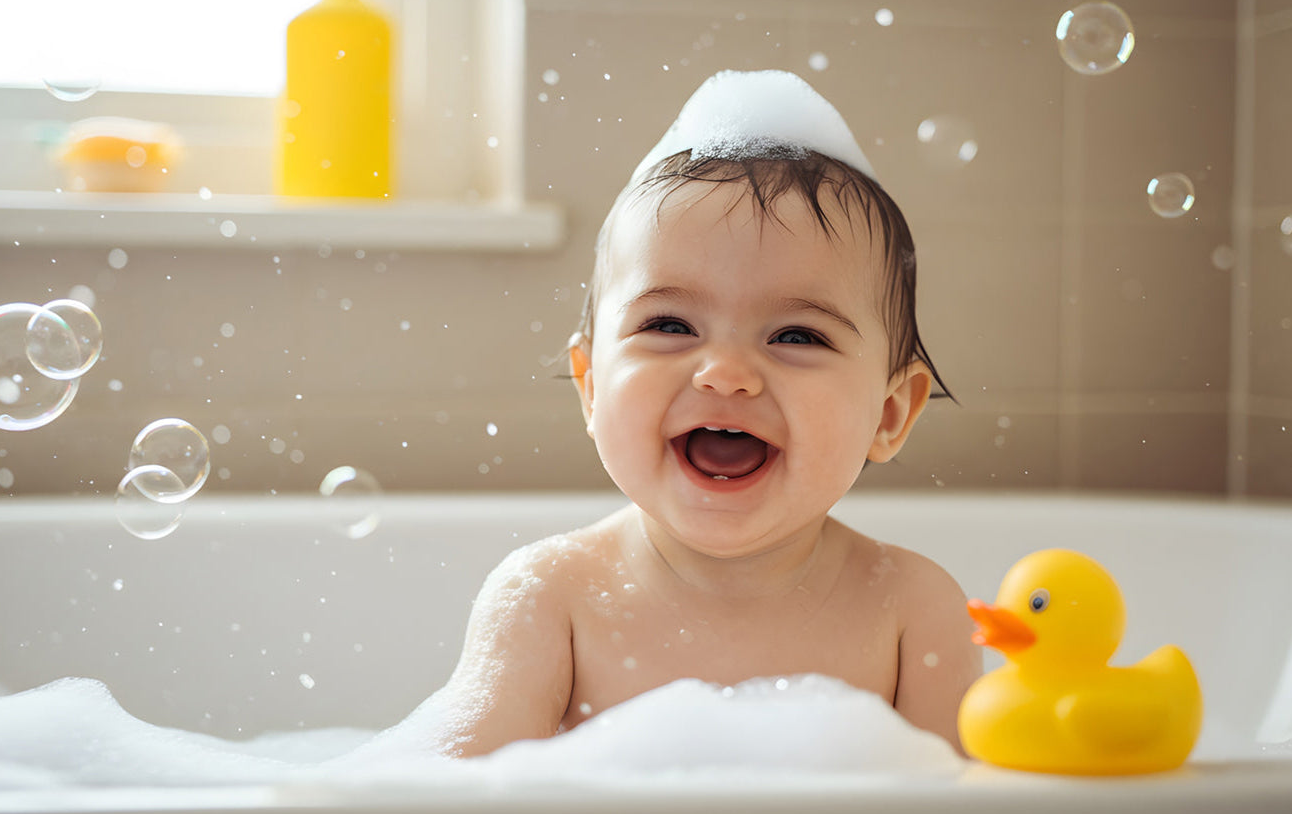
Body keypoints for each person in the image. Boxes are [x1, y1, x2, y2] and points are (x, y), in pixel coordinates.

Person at [408, 70, 981, 758]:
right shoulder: (548, 599)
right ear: (590, 387)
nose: (726, 374)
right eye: (670, 324)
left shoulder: (913, 610)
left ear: (889, 414)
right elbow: (443, 812)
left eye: (796, 336)